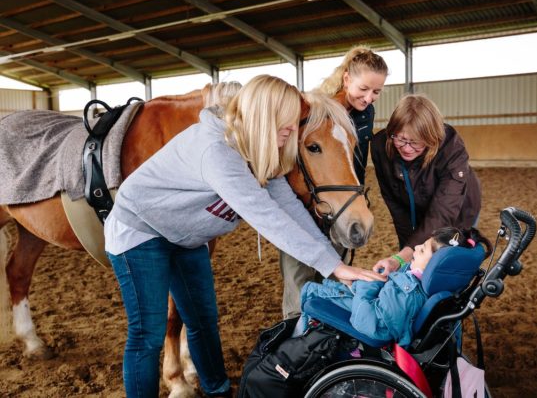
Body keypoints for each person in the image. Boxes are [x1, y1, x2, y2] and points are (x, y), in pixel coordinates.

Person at [104, 75, 385, 398]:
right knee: (148, 334)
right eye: (287, 123)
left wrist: (334, 264)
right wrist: (331, 266)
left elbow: (289, 209)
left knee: (203, 319)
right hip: (140, 230)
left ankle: (218, 390)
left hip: (184, 236)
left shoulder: (264, 149)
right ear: (264, 116)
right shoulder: (217, 151)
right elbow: (267, 217)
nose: (292, 131)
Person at [280, 46, 389, 319]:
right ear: (346, 79)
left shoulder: (366, 113)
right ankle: (295, 334)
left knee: (332, 277)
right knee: (300, 282)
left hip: (344, 202)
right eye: (364, 88)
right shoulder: (319, 110)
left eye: (376, 92)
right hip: (310, 206)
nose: (369, 97)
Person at [298, 227, 492, 347]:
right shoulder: (425, 283)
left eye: (422, 249)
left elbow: (372, 326)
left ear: (435, 266)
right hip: (367, 301)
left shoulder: (408, 296)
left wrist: (367, 283)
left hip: (362, 317)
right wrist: (391, 270)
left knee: (311, 293)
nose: (415, 249)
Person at [371, 93, 482, 275]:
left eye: (415, 142)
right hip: (414, 203)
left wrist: (403, 255)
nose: (407, 148)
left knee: (445, 260)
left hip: (457, 209)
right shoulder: (380, 145)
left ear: (432, 139)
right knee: (412, 259)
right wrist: (405, 253)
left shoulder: (451, 148)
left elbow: (442, 214)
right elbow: (394, 202)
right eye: (400, 139)